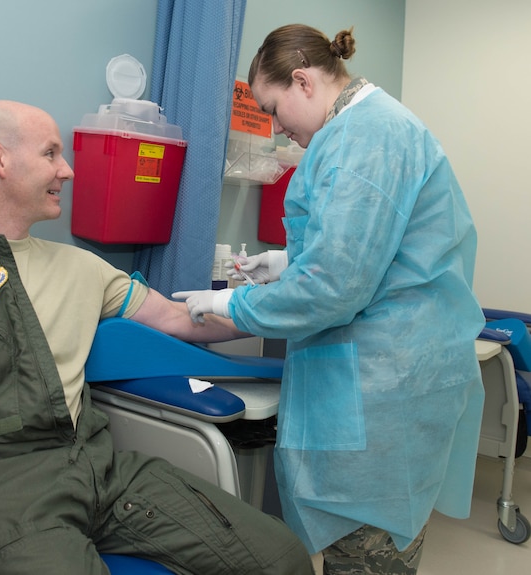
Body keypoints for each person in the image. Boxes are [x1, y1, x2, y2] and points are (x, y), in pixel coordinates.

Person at [0, 100, 313, 575]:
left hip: (100, 469)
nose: (67, 170)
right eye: (51, 153)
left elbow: (183, 319)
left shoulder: (84, 267)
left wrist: (281, 304)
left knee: (281, 557)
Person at [173, 24, 485, 575]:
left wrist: (231, 305)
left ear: (302, 81)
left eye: (273, 108)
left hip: (387, 386)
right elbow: (377, 252)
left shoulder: (368, 136)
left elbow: (335, 286)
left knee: (370, 555)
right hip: (382, 375)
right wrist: (288, 261)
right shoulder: (364, 129)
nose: (277, 127)